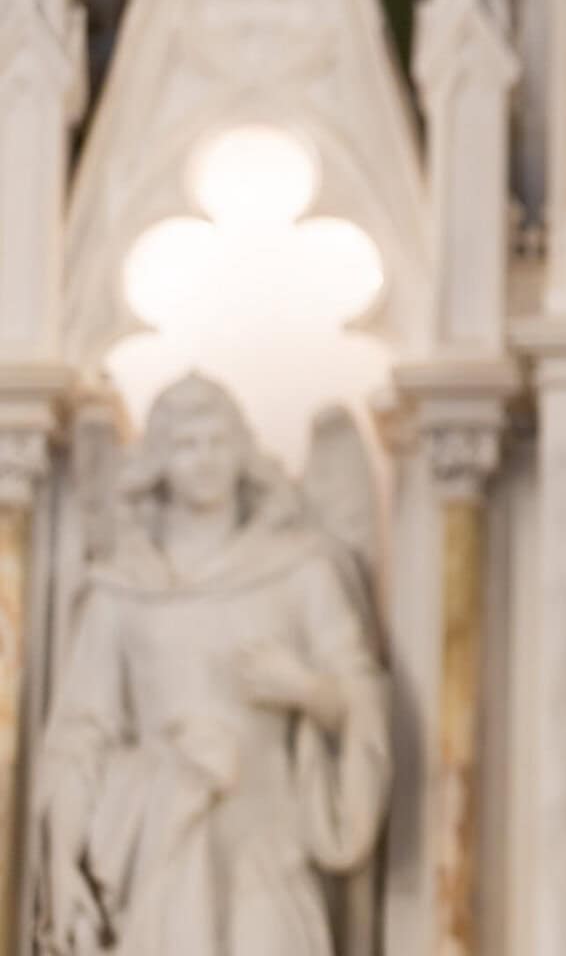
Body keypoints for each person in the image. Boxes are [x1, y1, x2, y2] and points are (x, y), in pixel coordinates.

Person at [35, 374, 390, 956]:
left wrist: (307, 689)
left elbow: (359, 694)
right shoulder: (121, 589)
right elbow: (79, 739)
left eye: (218, 441)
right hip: (161, 845)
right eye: (186, 444)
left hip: (268, 842)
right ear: (159, 460)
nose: (204, 460)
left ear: (242, 451)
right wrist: (61, 864)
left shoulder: (300, 572)